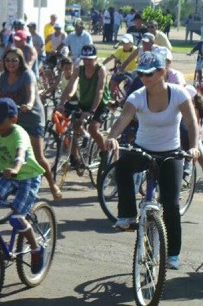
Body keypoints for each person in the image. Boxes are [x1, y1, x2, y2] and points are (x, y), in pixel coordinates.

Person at [105, 51, 200, 270]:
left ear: (162, 72)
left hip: (171, 153)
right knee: (122, 165)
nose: (145, 77)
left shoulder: (178, 94)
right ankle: (127, 214)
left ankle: (173, 254)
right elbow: (123, 119)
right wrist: (112, 137)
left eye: (149, 73)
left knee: (171, 204)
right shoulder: (137, 96)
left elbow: (191, 121)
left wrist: (193, 147)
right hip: (143, 150)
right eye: (141, 73)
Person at [0, 97, 46, 273]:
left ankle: (36, 248)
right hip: (9, 176)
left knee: (16, 218)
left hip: (27, 176)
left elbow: (21, 154)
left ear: (14, 120)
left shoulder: (19, 134)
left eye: (0, 122)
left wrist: (16, 168)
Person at [0, 48, 61, 201]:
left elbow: (31, 93)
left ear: (20, 61)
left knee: (37, 156)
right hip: (12, 119)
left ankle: (52, 184)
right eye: (7, 60)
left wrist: (29, 104)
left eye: (14, 60)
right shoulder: (3, 77)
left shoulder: (27, 74)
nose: (11, 63)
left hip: (31, 118)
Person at [58, 44, 110, 169]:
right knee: (74, 127)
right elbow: (70, 87)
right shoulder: (78, 70)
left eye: (90, 59)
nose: (87, 62)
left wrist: (91, 111)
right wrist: (61, 103)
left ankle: (104, 153)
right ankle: (74, 158)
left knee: (93, 128)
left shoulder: (101, 70)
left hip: (100, 104)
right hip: (84, 103)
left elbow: (100, 91)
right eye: (85, 59)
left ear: (96, 58)